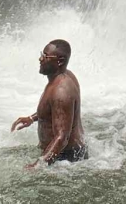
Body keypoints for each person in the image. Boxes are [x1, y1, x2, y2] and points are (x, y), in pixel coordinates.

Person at [11, 39, 88, 167]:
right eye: (42, 54)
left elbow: (62, 137)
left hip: (67, 159)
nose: (40, 59)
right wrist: (32, 118)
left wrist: (37, 166)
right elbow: (56, 110)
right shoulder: (62, 78)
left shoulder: (61, 90)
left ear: (60, 61)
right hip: (65, 154)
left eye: (45, 56)